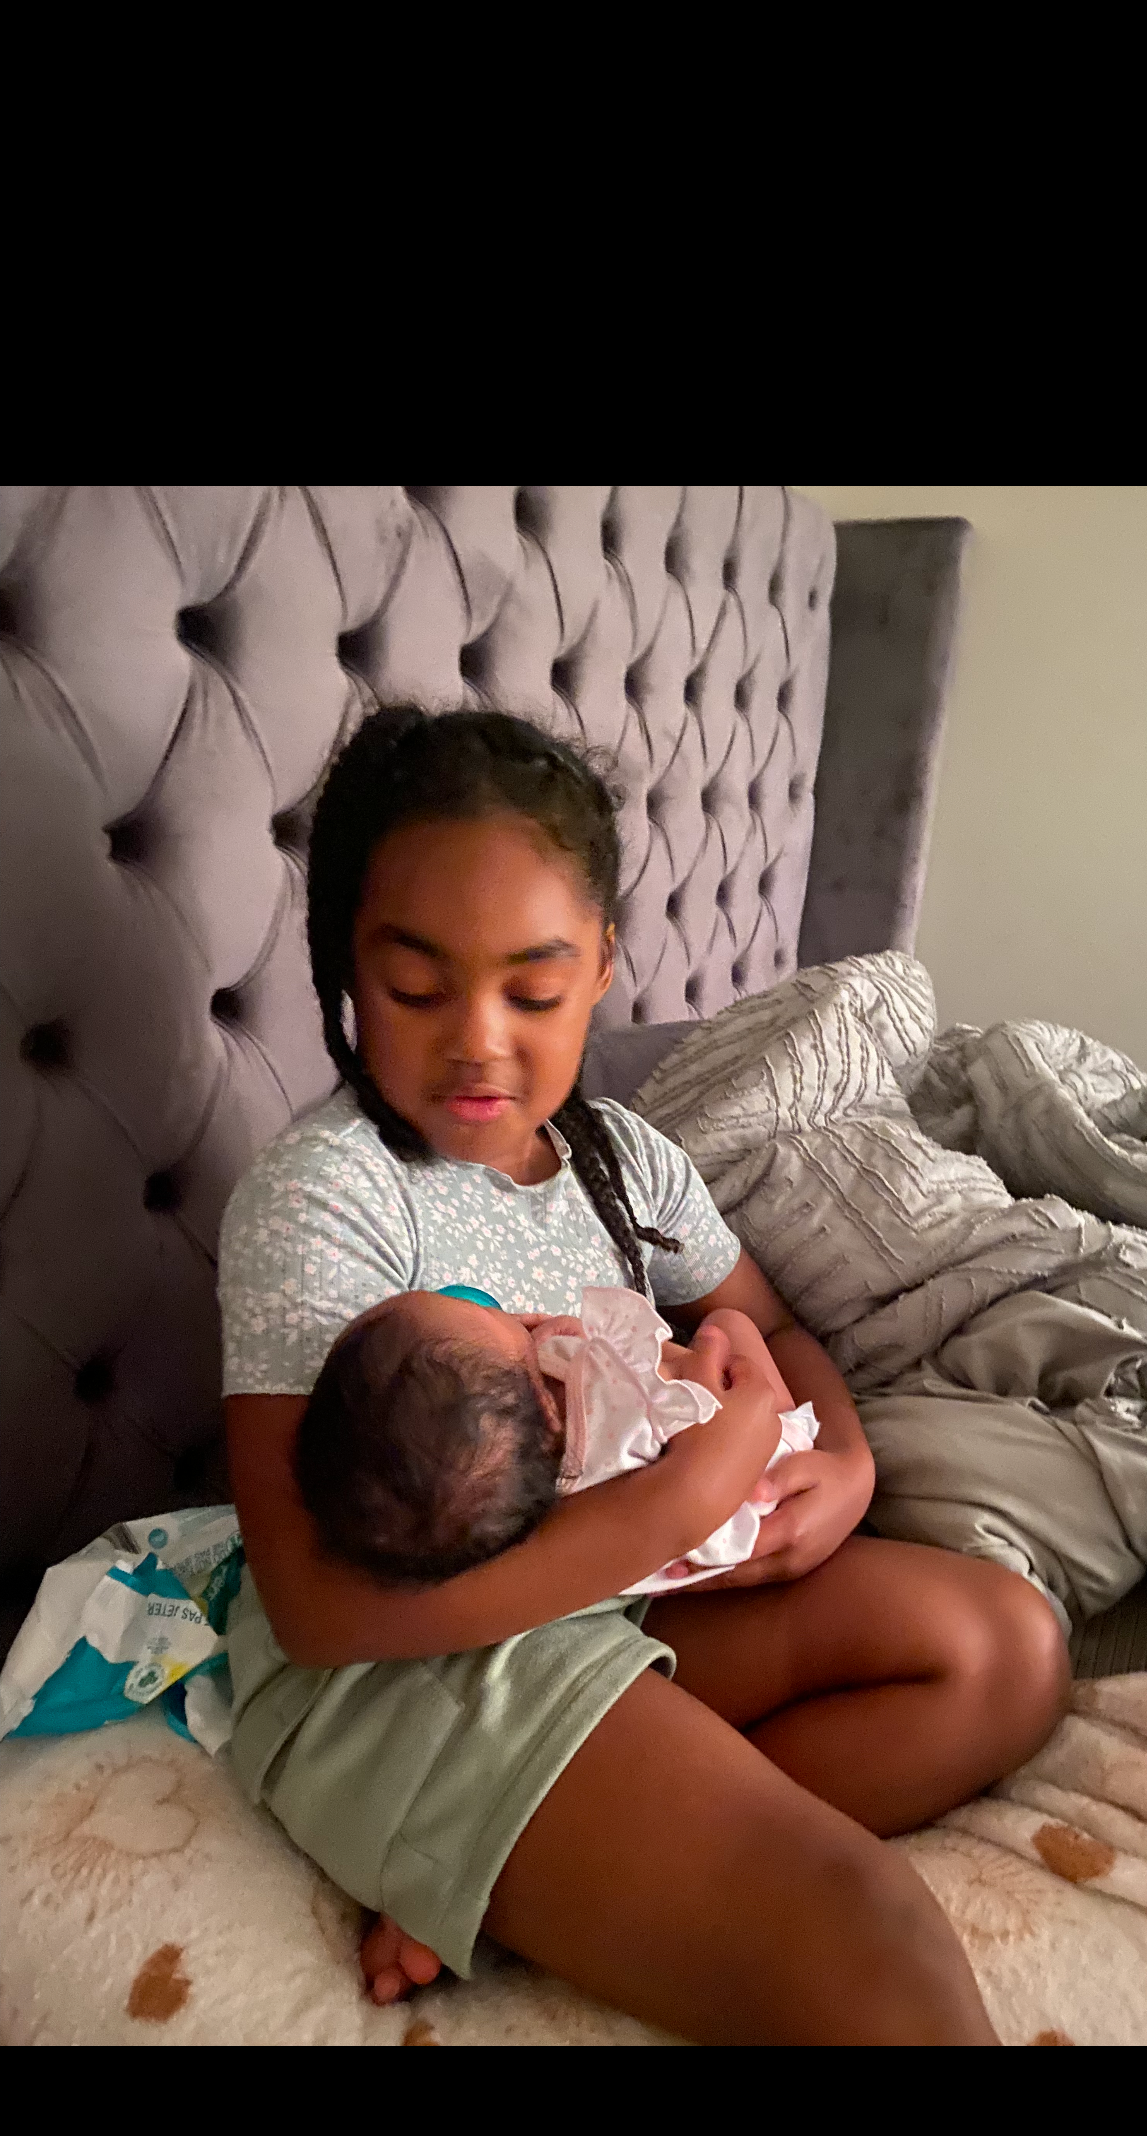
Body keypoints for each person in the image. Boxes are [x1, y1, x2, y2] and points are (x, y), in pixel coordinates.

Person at [218, 705, 1071, 2044]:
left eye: (533, 991)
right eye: (418, 990)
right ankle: (528, 1850)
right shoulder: (326, 1198)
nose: (479, 1042)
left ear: (602, 964)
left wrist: (843, 1470)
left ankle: (526, 1884)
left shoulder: (619, 1158)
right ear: (345, 971)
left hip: (619, 1603)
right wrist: (676, 1505)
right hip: (411, 1667)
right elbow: (319, 1613)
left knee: (1005, 1652)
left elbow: (770, 1327)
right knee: (871, 1937)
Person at [291, 1283, 816, 1593]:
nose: (505, 1312)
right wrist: (572, 1346)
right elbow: (671, 1376)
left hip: (719, 1552)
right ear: (545, 1404)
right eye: (483, 1313)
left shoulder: (519, 1505)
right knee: (727, 1322)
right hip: (767, 1451)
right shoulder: (601, 1388)